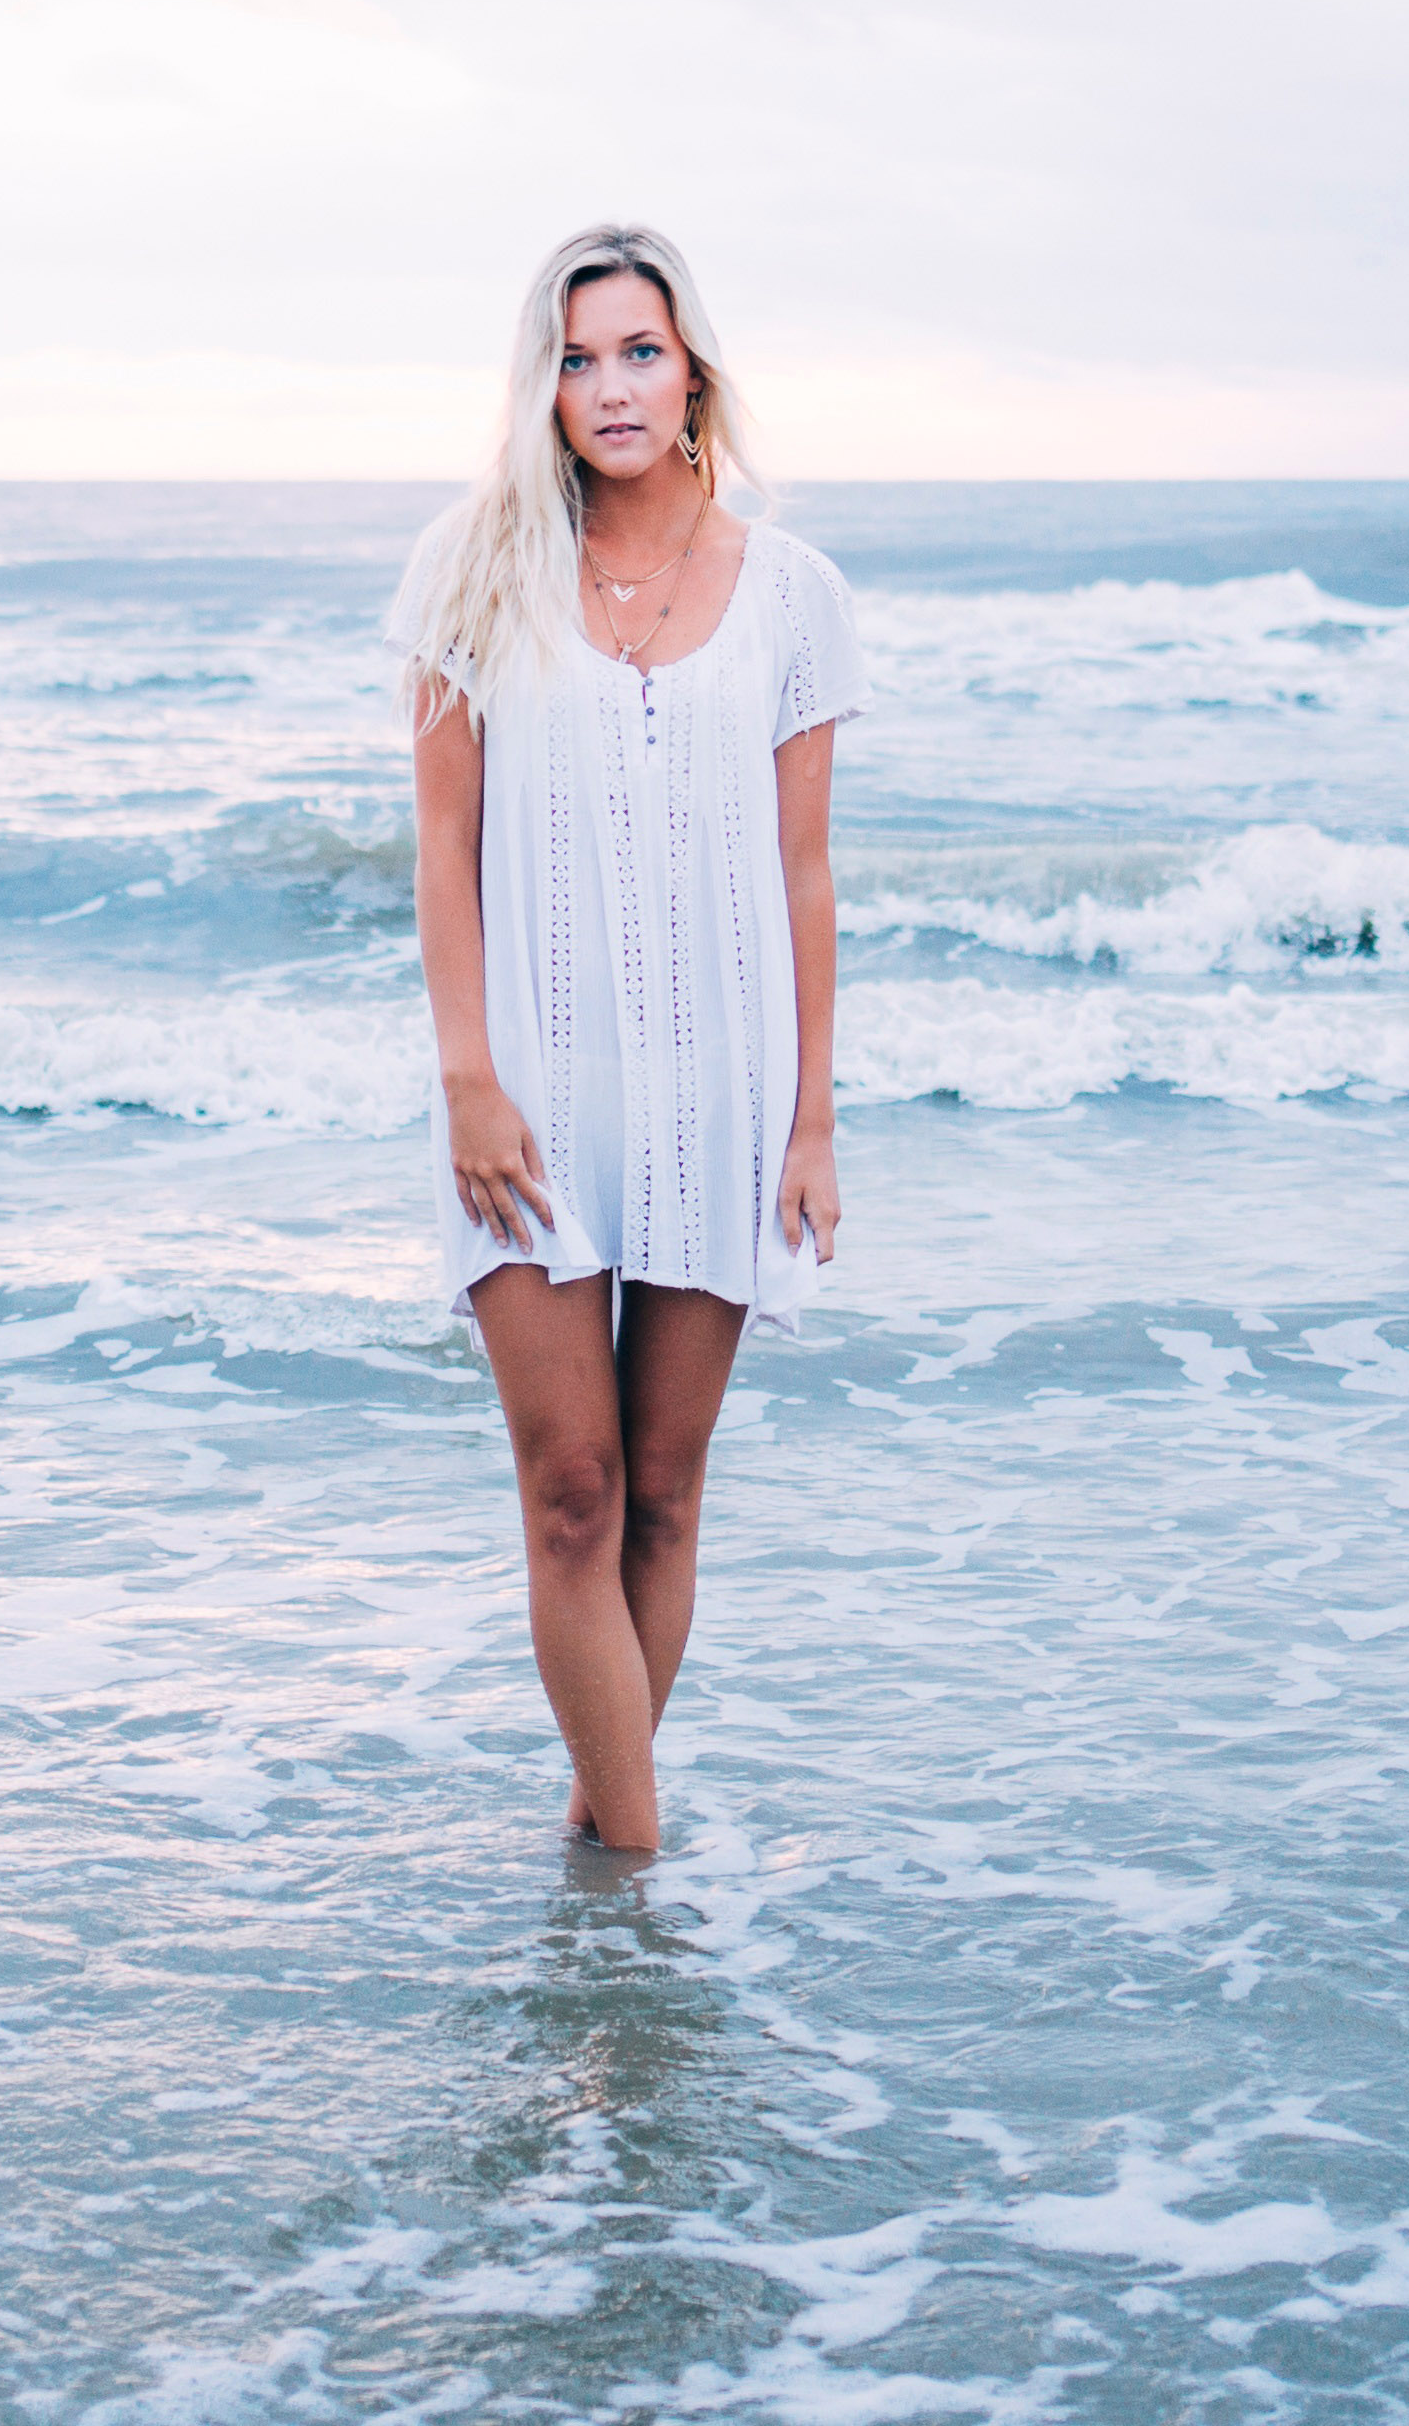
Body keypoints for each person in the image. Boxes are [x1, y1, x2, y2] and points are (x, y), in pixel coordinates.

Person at [388, 222, 861, 1855]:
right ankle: (641, 1874)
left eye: (639, 350)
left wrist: (810, 1121)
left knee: (662, 1492)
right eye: (577, 358)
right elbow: (441, 848)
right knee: (570, 1491)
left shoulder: (794, 593)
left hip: (718, 1091)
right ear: (544, 388)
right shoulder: (470, 570)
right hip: (528, 1090)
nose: (611, 386)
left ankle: (596, 1858)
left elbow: (803, 869)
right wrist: (466, 1078)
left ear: (695, 369)